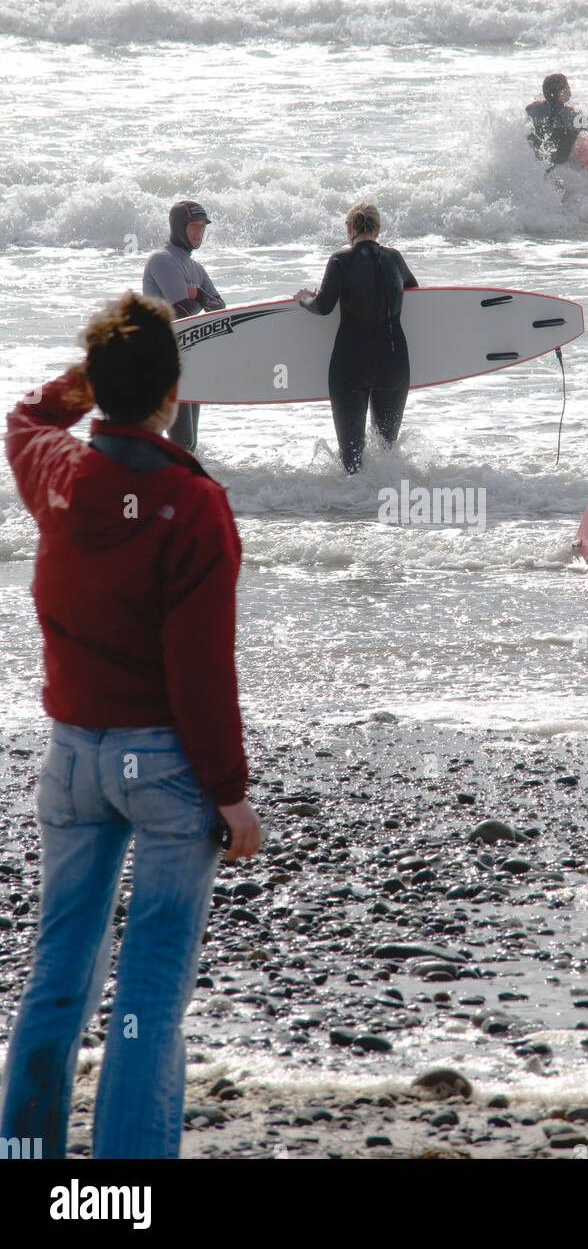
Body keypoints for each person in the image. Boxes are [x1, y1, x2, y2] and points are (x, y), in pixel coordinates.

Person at [1, 292, 261, 1160]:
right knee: (149, 987)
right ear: (175, 392)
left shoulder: (58, 472)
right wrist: (231, 796)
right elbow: (199, 673)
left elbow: (27, 416)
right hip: (164, 767)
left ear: (102, 382)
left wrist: (87, 383)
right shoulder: (194, 506)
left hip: (72, 755)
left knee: (55, 974)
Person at [296, 201, 418, 474]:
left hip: (351, 366)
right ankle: (386, 507)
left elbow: (323, 306)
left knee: (351, 463)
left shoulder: (341, 260)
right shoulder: (395, 259)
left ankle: (353, 511)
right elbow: (412, 288)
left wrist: (305, 299)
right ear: (378, 229)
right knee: (388, 456)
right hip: (394, 363)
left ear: (349, 228)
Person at [142, 200, 225, 453]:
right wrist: (200, 298)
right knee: (182, 443)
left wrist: (196, 293)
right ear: (178, 227)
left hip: (189, 358)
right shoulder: (162, 260)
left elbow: (219, 308)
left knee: (189, 445)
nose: (199, 232)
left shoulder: (195, 268)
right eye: (193, 226)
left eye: (202, 227)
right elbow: (179, 313)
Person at [525, 74, 588, 166]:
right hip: (561, 159)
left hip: (539, 157)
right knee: (574, 130)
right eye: (568, 88)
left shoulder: (533, 109)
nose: (570, 92)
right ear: (561, 93)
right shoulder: (572, 114)